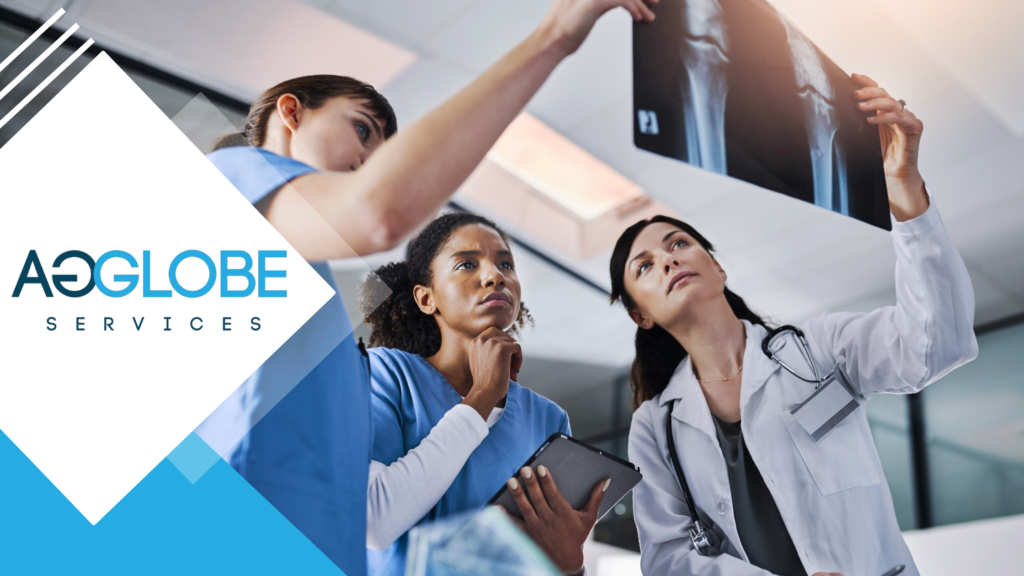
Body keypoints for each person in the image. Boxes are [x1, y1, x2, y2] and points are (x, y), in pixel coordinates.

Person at [194, 2, 658, 575]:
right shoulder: (230, 181)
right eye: (361, 129)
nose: (368, 162)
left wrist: (567, 564)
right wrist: (556, 36)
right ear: (291, 112)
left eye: (505, 263)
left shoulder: (325, 334)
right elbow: (379, 214)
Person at [608, 75, 977, 576]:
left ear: (717, 267)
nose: (668, 261)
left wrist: (904, 189)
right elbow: (668, 558)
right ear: (641, 315)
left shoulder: (819, 350)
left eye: (677, 244)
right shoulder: (657, 426)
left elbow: (936, 344)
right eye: (644, 266)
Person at [363, 212, 607, 576]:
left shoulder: (548, 419)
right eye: (465, 264)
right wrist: (483, 396)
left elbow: (540, 561)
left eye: (505, 263)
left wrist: (571, 565)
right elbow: (375, 523)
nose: (496, 276)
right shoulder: (386, 374)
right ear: (426, 298)